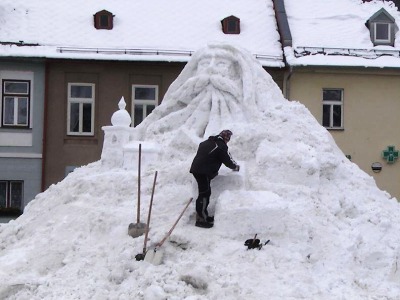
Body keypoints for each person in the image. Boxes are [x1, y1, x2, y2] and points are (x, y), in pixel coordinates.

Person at [190, 129, 240, 228]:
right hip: (202, 172)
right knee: (204, 194)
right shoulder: (220, 146)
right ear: (226, 138)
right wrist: (235, 167)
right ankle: (201, 219)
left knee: (205, 192)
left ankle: (205, 215)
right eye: (228, 139)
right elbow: (227, 160)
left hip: (198, 170)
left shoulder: (207, 142)